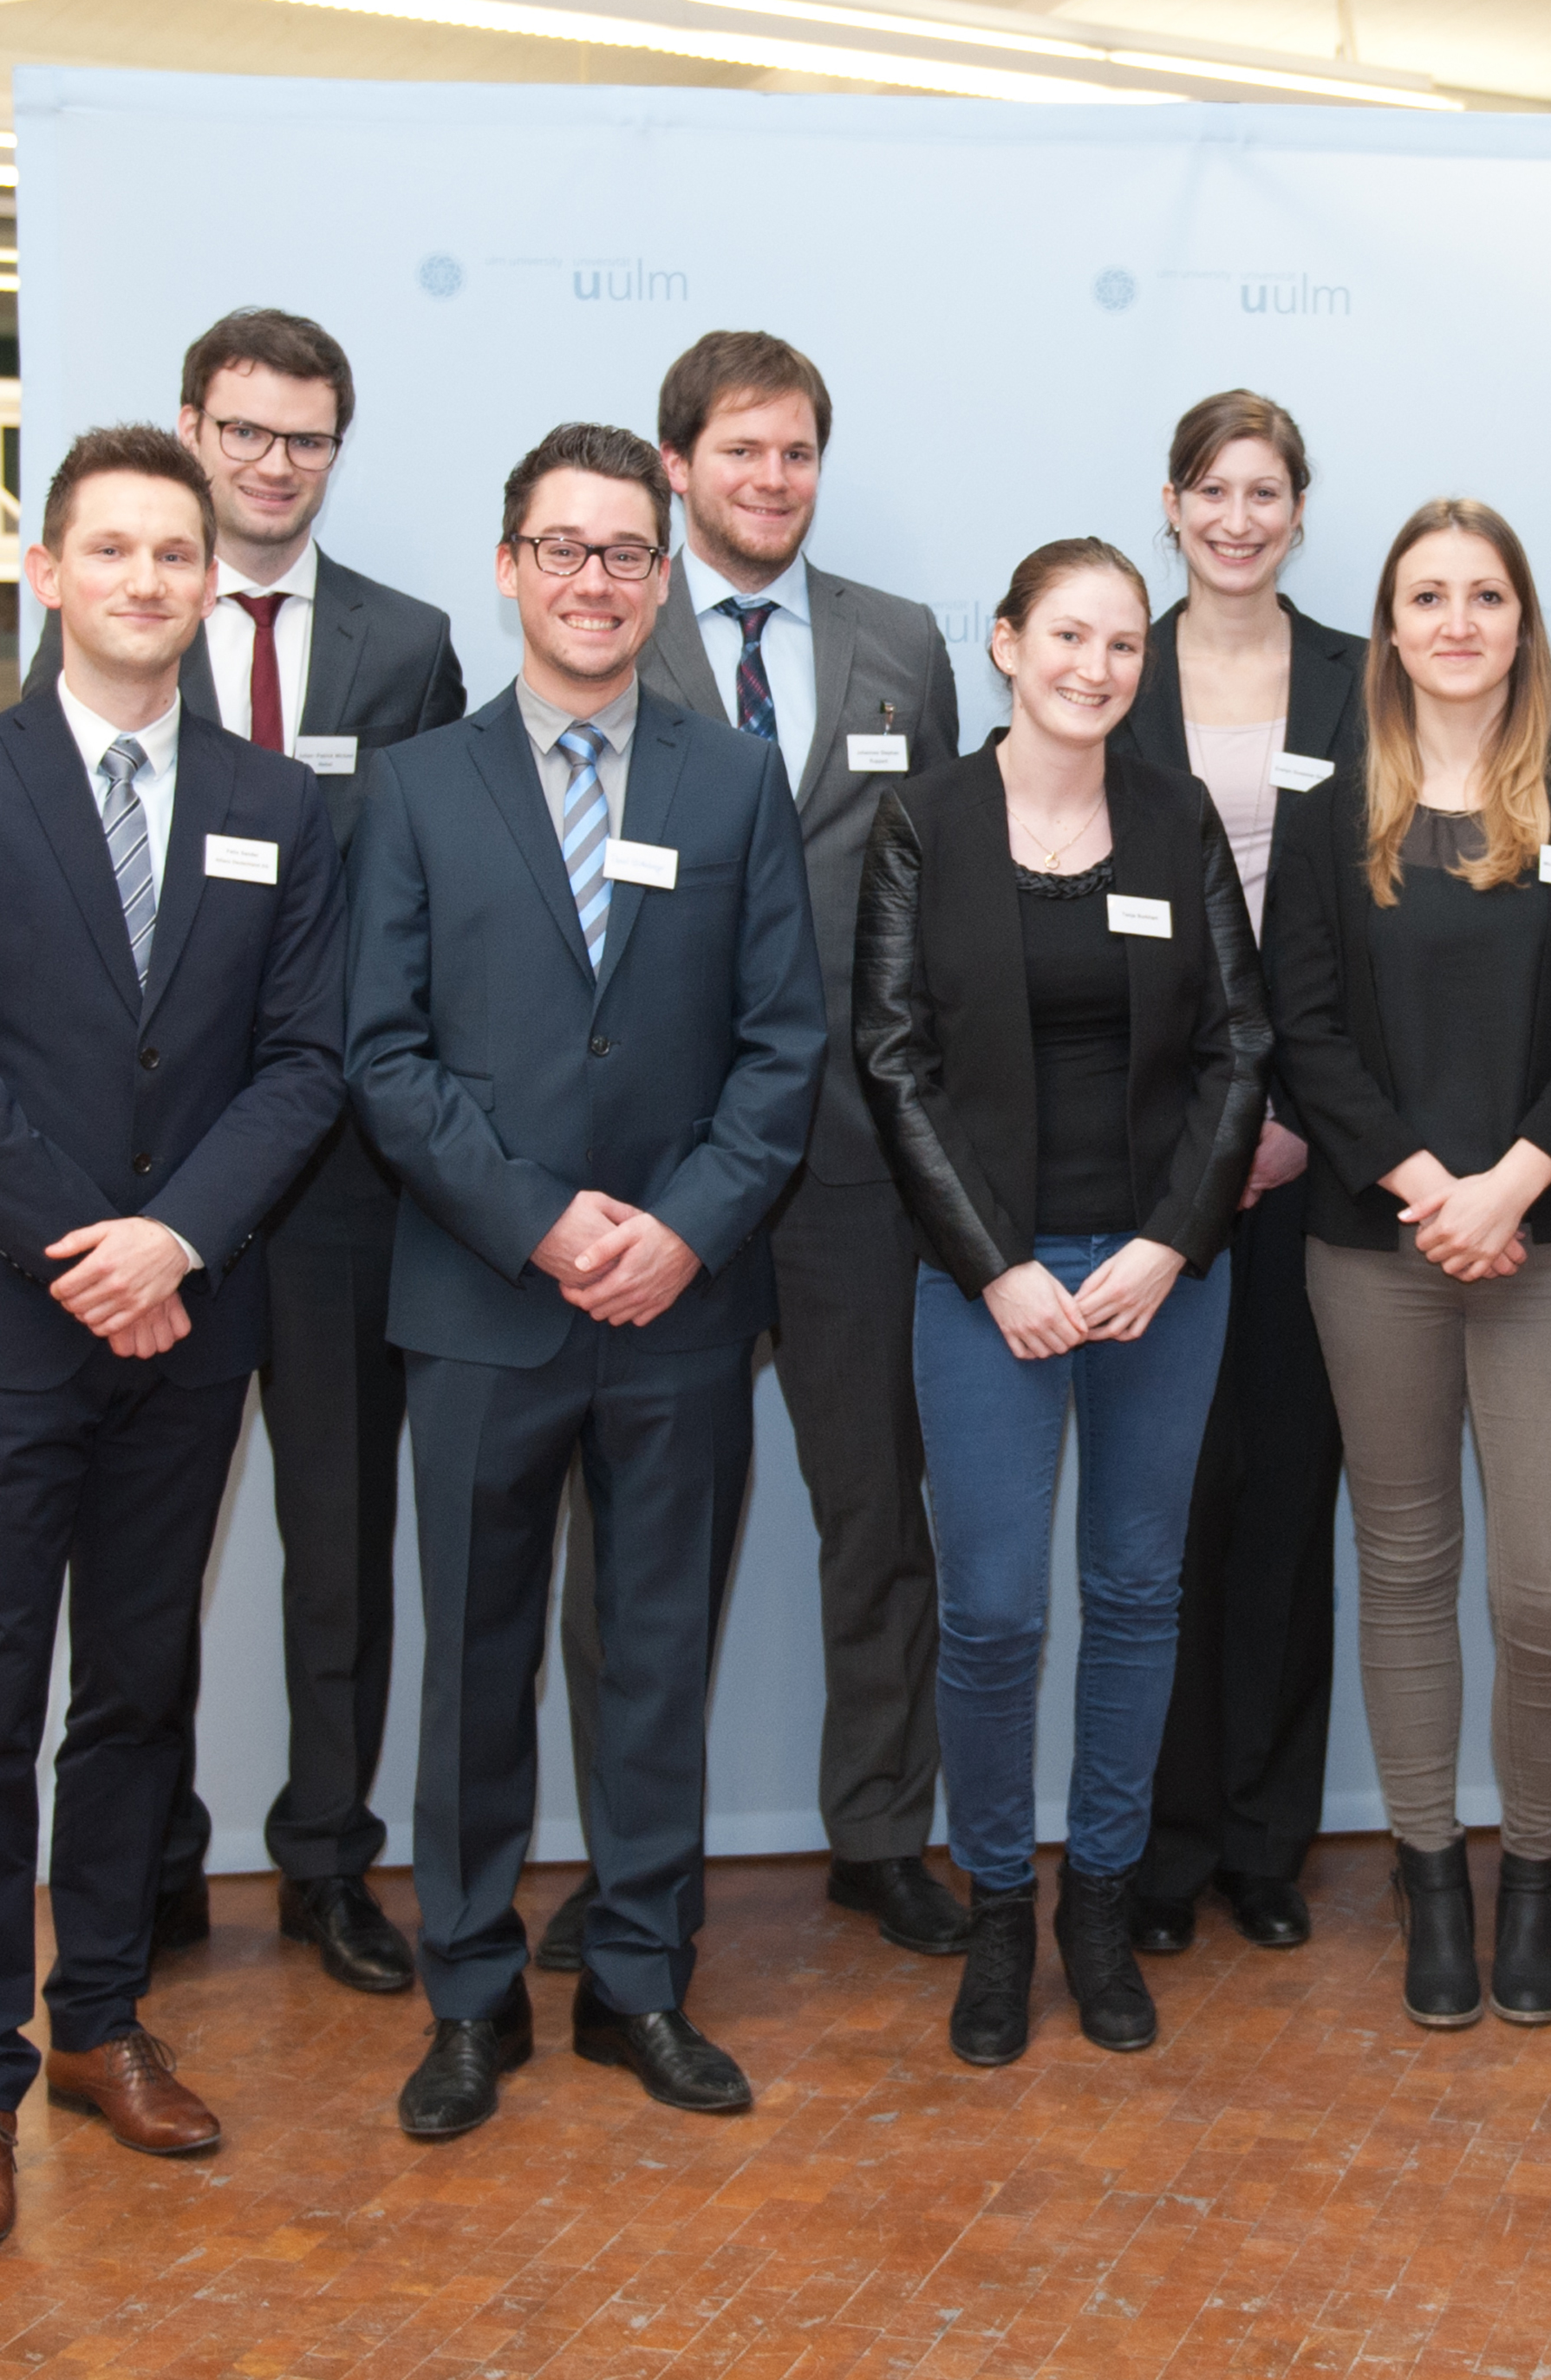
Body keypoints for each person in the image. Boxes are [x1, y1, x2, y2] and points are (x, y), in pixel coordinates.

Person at [0, 424, 348, 2252]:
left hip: (184, 1327)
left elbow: (300, 1063)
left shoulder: (276, 804)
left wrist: (175, 1242)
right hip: (3, 1328)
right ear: (49, 575)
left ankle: (98, 2030)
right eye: (115, 551)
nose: (148, 581)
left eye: (177, 555)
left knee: (135, 1695)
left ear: (205, 588)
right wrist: (91, 1248)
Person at [344, 422, 824, 2137]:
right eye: (563, 548)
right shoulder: (411, 788)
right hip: (485, 1305)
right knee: (474, 1665)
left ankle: (637, 1981)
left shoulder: (729, 782)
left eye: (627, 551)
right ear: (508, 567)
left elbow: (783, 1052)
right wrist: (544, 1224)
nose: (596, 581)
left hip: (681, 1309)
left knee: (652, 1656)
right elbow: (383, 1057)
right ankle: (469, 1996)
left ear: (663, 571)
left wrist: (681, 1228)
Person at [23, 309, 467, 1993]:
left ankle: (327, 1866)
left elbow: (421, 905)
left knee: (342, 1545)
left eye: (305, 439)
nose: (272, 464)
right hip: (154, 1193)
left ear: (334, 454)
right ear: (192, 431)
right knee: (147, 1541)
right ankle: (138, 1863)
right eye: (244, 432)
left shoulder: (405, 645)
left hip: (349, 1176)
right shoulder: (117, 620)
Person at [534, 329, 968, 1974]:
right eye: (739, 453)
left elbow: (935, 897)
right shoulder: (604, 636)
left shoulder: (900, 647)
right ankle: (627, 1858)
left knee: (880, 1520)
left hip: (862, 1166)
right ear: (675, 467)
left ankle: (879, 1830)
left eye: (795, 454)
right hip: (663, 1178)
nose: (770, 480)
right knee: (644, 1541)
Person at [855, 537, 1272, 2066]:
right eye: (1068, 638)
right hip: (992, 1281)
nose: (1095, 669)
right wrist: (999, 1266)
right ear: (1009, 642)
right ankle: (994, 1914)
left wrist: (1172, 1238)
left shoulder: (1174, 821)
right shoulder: (929, 821)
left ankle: (1098, 1901)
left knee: (1138, 1596)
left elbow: (1240, 1046)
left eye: (1120, 647)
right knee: (991, 1615)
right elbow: (892, 1063)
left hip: (1164, 1277)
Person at [1269, 499, 1551, 2033]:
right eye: (1425, 595)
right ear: (1388, 626)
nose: (1455, 622)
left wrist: (1509, 1184)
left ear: (1523, 622)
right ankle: (1434, 1871)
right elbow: (1302, 1024)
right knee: (1409, 1568)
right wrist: (1431, 1185)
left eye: (1483, 595)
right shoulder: (1326, 810)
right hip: (1377, 1248)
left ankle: (1539, 1872)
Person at [1116, 392, 1363, 1958]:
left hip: (1325, 1141)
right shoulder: (1111, 658)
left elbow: (1381, 914)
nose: (1239, 517)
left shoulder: (1364, 672)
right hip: (1151, 1147)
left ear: (1298, 508)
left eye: (1266, 491)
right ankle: (1161, 1839)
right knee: (1161, 1508)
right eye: (1213, 489)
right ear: (1170, 502)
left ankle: (1267, 1839)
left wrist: (1298, 1109)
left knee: (1291, 1491)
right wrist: (1211, 1116)